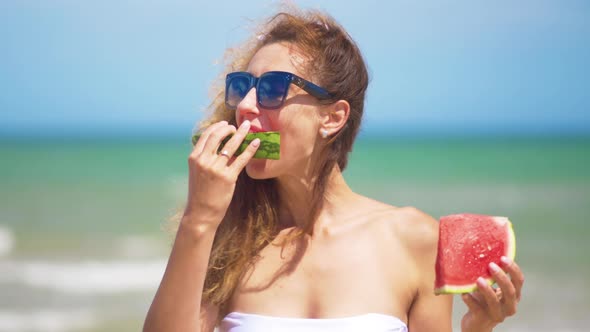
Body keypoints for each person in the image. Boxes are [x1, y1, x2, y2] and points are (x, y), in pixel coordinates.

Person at [144, 8, 524, 332]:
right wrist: (199, 219)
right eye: (242, 86)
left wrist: (478, 329)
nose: (244, 105)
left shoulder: (415, 239)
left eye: (272, 88)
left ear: (333, 117)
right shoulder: (227, 238)